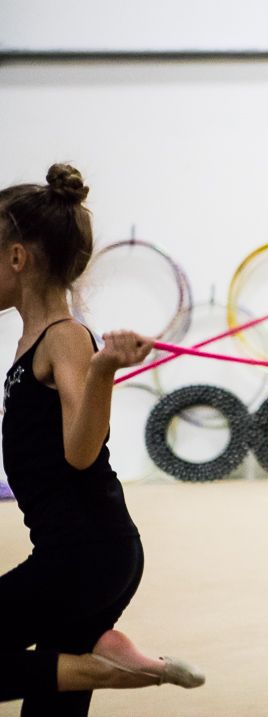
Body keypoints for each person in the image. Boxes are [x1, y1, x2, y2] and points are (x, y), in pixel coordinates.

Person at [0, 164, 204, 715]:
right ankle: (105, 653)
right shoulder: (37, 339)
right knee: (52, 706)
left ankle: (106, 666)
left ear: (17, 258)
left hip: (83, 555)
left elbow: (81, 449)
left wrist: (104, 369)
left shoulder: (65, 337)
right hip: (90, 550)